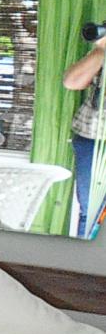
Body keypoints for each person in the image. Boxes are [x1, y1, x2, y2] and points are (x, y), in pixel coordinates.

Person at [68, 26, 105, 239]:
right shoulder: (102, 53)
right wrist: (101, 51)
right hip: (93, 138)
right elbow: (72, 82)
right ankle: (85, 259)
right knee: (91, 212)